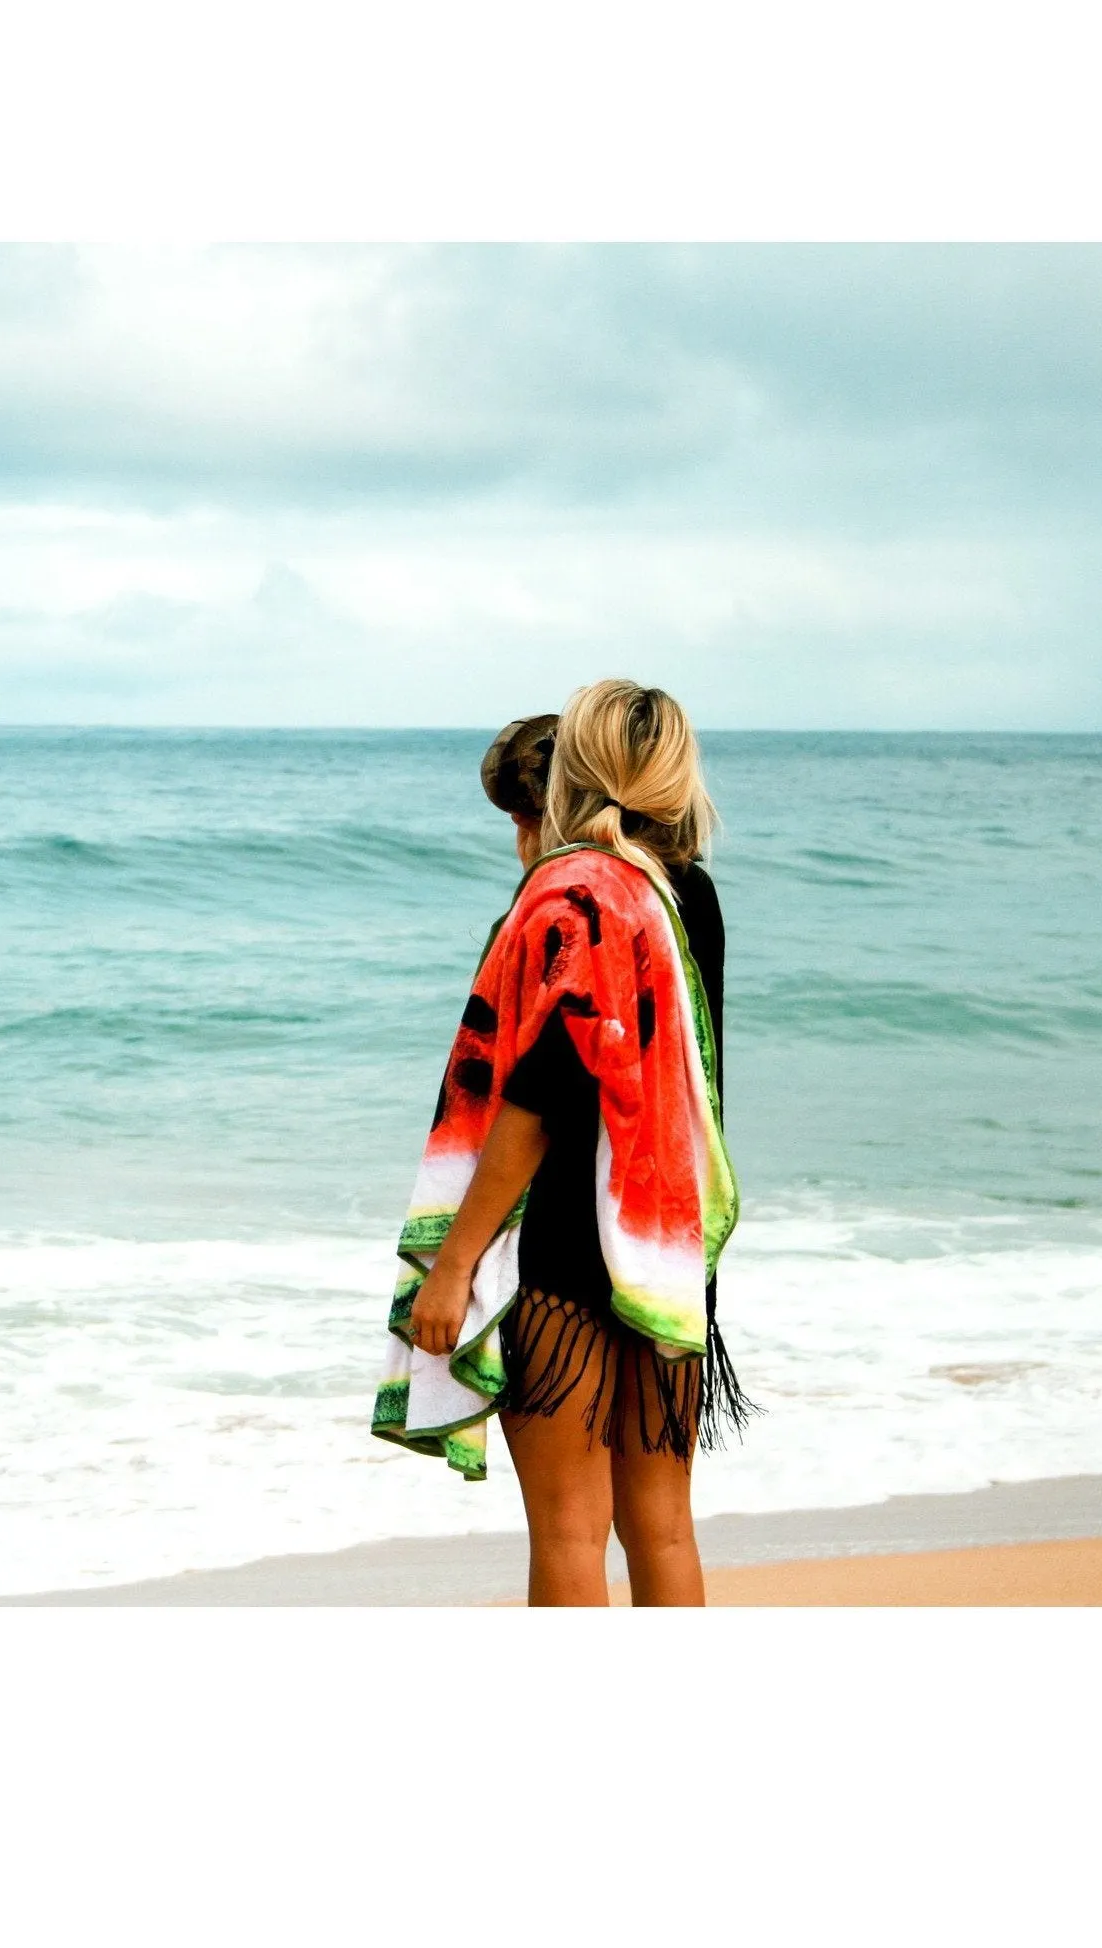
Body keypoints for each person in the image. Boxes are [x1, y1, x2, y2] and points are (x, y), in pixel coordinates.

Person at [377, 680, 749, 1605]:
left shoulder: (570, 898)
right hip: (662, 1247)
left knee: (571, 1532)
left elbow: (539, 1098)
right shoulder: (685, 893)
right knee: (661, 1525)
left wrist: (454, 1263)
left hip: (558, 1260)